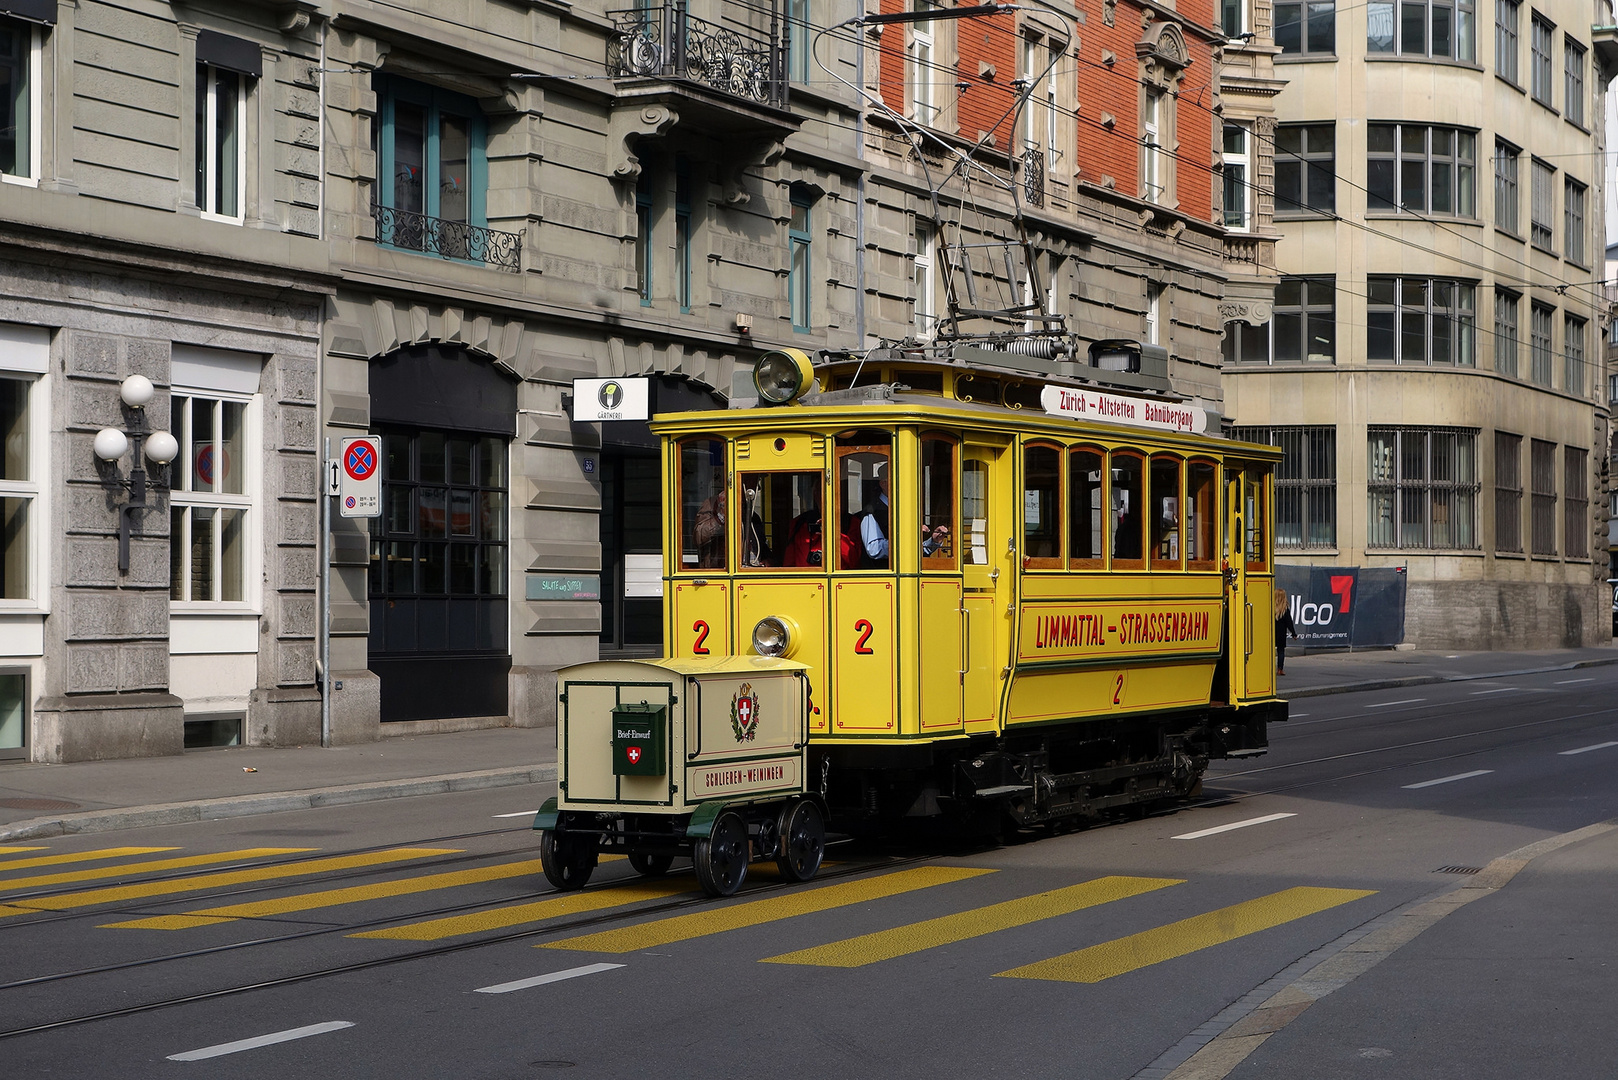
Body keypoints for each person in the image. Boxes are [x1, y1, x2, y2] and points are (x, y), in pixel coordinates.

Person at [694, 489, 726, 568]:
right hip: (715, 570)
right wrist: (721, 517)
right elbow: (699, 535)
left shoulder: (749, 509)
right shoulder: (711, 504)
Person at [1275, 588, 1297, 675]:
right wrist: (1293, 634)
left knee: (1269, 651)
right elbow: (1289, 623)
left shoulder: (1270, 608)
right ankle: (1280, 669)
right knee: (1281, 651)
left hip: (1271, 633)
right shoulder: (1285, 609)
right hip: (1281, 633)